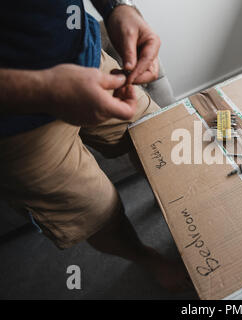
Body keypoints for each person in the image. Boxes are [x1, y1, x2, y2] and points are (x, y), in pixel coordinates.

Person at [0, 0, 189, 291]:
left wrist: (117, 8)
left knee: (158, 140)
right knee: (95, 211)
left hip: (90, 60)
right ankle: (149, 261)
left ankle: (173, 206)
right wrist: (44, 88)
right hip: (12, 129)